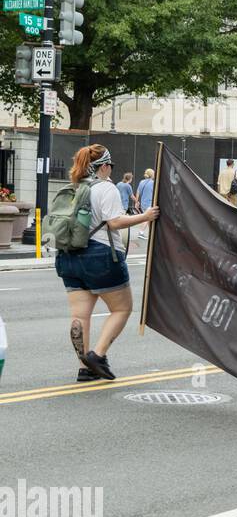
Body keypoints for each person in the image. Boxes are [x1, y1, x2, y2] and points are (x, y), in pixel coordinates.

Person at [55, 145, 160, 382]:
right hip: (100, 255)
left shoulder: (72, 187)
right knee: (122, 309)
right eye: (110, 166)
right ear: (103, 166)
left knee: (80, 316)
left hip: (68, 255)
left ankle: (84, 368)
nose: (111, 171)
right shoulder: (106, 188)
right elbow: (114, 222)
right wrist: (146, 217)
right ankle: (97, 356)